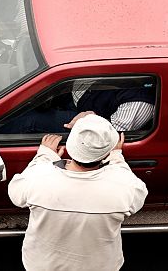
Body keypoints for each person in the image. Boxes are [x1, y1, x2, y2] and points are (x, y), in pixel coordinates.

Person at [8, 113, 148, 271]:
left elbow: (15, 194)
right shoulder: (124, 186)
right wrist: (116, 158)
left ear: (70, 145)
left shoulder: (39, 177)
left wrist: (44, 155)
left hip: (42, 266)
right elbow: (138, 197)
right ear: (107, 152)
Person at [0, 80, 155, 134]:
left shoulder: (139, 101)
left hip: (90, 126)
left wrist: (89, 119)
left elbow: (111, 134)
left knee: (31, 120)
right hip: (78, 100)